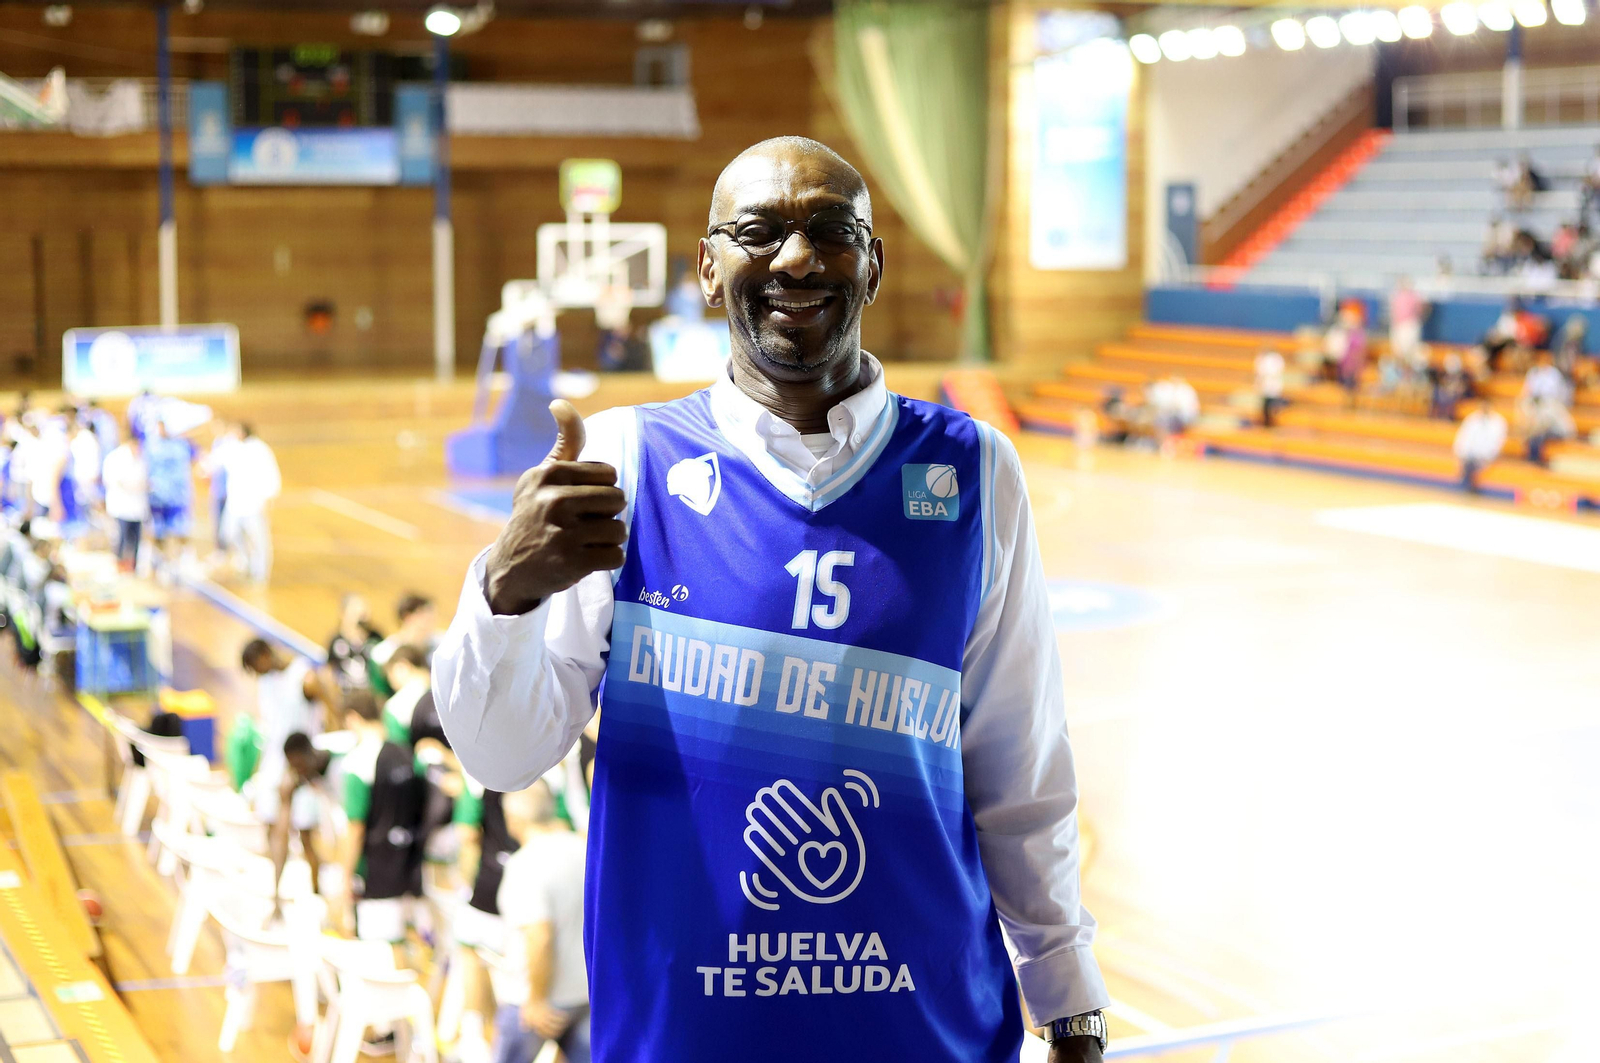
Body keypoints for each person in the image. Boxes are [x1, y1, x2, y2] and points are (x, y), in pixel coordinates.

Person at [434, 137, 1108, 1063]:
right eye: (759, 232)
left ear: (872, 264)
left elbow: (1021, 770)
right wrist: (501, 590)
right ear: (710, 271)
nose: (796, 257)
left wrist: (1070, 1006)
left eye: (831, 231)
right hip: (685, 1037)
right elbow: (501, 756)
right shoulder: (624, 464)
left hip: (930, 1034)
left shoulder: (975, 470)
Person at [491, 782, 589, 1063]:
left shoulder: (525, 864)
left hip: (539, 1000)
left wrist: (536, 999)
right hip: (584, 993)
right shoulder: (583, 849)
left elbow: (540, 936)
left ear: (514, 820)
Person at [337, 682, 427, 965]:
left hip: (376, 872)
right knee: (409, 940)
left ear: (352, 718)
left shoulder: (356, 764)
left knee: (384, 952)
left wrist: (344, 879)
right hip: (411, 866)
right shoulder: (407, 755)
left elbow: (355, 829)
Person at [242, 639, 334, 857]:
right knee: (270, 825)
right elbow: (269, 731)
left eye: (257, 668)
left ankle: (315, 885)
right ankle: (277, 886)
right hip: (273, 763)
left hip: (301, 763)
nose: (257, 674)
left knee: (305, 834)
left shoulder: (304, 677)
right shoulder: (266, 683)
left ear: (265, 655)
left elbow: (332, 708)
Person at [220, 424, 281, 584]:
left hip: (254, 503)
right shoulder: (233, 448)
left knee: (258, 539)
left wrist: (269, 497)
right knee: (229, 534)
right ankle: (245, 562)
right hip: (234, 503)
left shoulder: (260, 449)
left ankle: (260, 572)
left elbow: (271, 473)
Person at [145, 420, 196, 569]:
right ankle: (160, 561)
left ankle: (185, 560)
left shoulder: (182, 445)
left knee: (181, 530)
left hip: (178, 497)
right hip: (157, 497)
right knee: (158, 531)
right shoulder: (151, 445)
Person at [101, 430, 148, 572]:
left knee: (135, 540)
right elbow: (113, 481)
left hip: (137, 508)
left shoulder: (141, 458)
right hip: (122, 506)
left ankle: (132, 567)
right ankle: (119, 565)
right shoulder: (116, 458)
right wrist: (133, 486)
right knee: (121, 538)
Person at [326, 593, 383, 693]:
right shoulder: (336, 641)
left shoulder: (375, 638)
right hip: (347, 695)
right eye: (354, 612)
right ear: (343, 614)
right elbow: (328, 670)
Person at [381, 644, 433, 748]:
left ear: (402, 666)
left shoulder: (394, 707)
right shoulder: (447, 684)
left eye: (390, 675)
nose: (391, 684)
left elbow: (400, 751)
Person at [201, 421, 240, 561]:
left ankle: (235, 554)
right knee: (217, 523)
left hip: (230, 493)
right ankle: (220, 552)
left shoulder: (232, 445)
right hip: (217, 491)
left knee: (231, 526)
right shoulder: (217, 444)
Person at [1452, 399, 1507, 493]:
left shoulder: (1498, 422)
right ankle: (1467, 485)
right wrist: (1461, 453)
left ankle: (1471, 485)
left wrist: (1489, 456)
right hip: (1470, 454)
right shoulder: (1472, 419)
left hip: (1486, 456)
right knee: (1467, 464)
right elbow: (1463, 437)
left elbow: (1497, 442)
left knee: (1476, 466)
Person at [1254, 349, 1285, 427]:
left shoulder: (1275, 359)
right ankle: (1267, 422)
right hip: (1266, 387)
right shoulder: (1263, 359)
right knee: (1266, 405)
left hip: (1272, 387)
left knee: (1272, 404)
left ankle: (1271, 421)